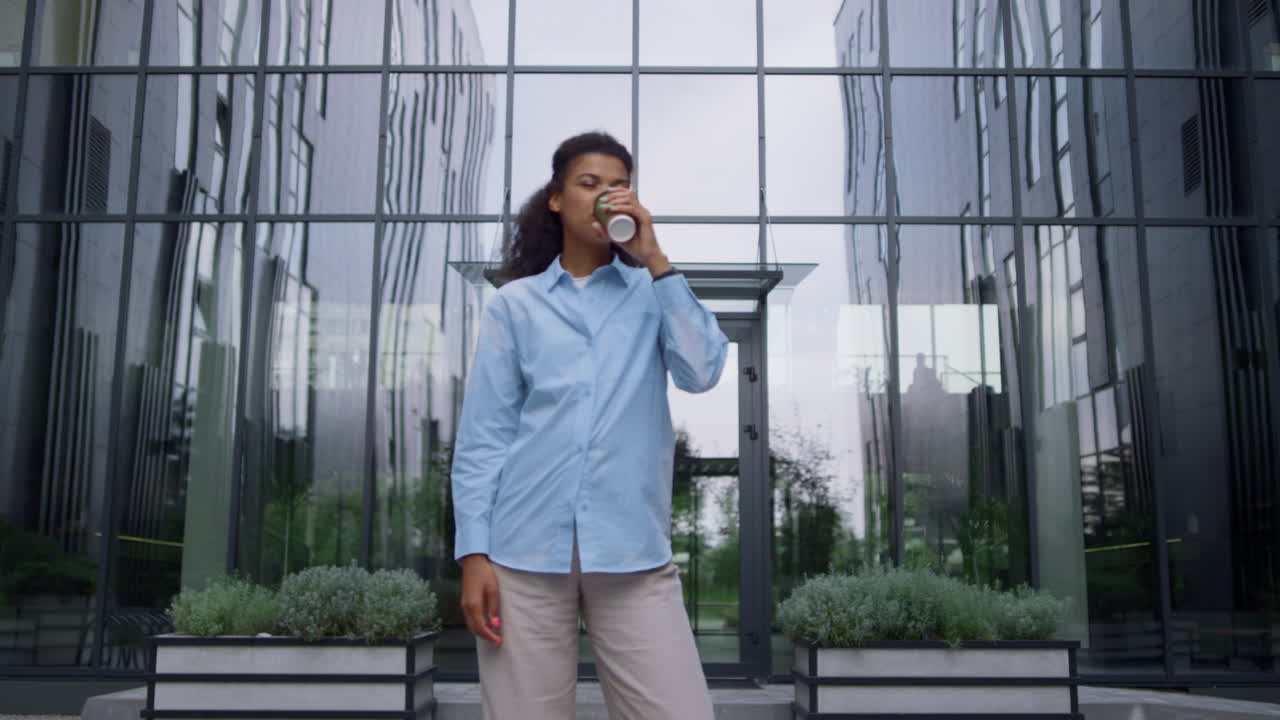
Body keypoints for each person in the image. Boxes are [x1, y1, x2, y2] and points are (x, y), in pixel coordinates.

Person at [450, 131, 728, 720]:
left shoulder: (654, 293)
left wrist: (656, 258)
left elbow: (703, 371)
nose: (606, 196)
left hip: (632, 554)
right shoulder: (515, 305)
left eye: (619, 186)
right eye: (589, 183)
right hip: (521, 554)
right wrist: (473, 552)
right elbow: (485, 438)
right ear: (556, 198)